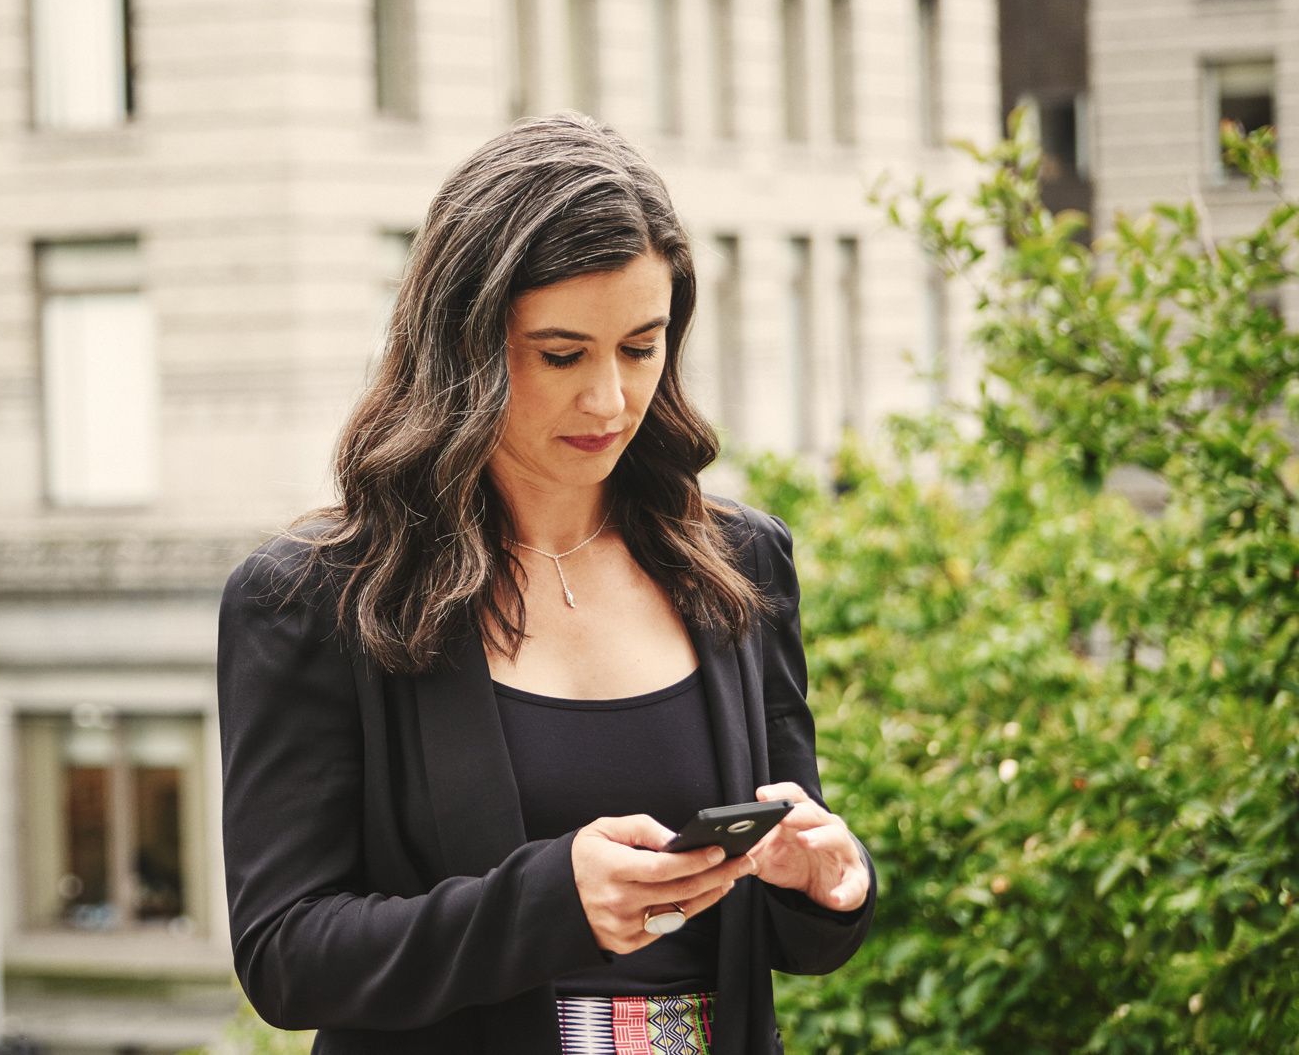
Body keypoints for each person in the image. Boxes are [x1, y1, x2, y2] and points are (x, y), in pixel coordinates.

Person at [216, 112, 877, 1054]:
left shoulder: (741, 561)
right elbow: (286, 953)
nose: (609, 399)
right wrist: (550, 902)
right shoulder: (312, 599)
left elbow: (775, 924)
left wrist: (831, 881)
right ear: (467, 346)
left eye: (641, 347)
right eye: (561, 355)